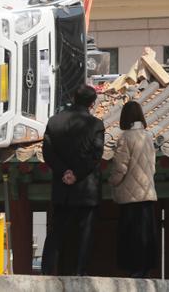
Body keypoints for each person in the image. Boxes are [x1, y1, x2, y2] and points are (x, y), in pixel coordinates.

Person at [41, 84, 105, 276]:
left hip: (62, 187)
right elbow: (95, 155)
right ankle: (79, 271)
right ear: (92, 103)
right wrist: (76, 173)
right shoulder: (96, 125)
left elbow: (48, 152)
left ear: (73, 98)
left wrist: (64, 172)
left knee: (56, 230)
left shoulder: (54, 122)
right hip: (86, 188)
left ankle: (46, 270)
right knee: (85, 233)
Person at [110, 101, 158, 278]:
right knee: (146, 233)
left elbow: (120, 168)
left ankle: (133, 268)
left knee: (131, 234)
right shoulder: (148, 136)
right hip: (147, 192)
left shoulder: (125, 138)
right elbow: (152, 166)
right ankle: (145, 268)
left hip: (129, 196)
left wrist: (112, 182)